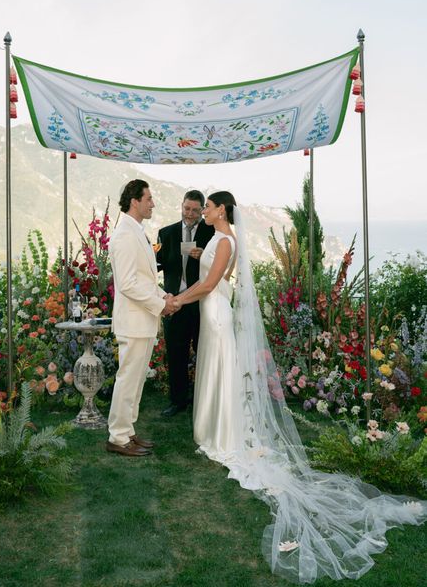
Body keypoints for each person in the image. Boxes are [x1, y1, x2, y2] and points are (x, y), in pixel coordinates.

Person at [172, 191, 427, 584]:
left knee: (219, 373)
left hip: (217, 315)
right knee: (213, 372)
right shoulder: (217, 240)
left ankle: (222, 433)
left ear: (221, 209)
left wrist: (176, 300)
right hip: (212, 315)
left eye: (207, 206)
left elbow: (209, 285)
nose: (203, 210)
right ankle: (213, 427)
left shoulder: (224, 241)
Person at [106, 179, 174, 457]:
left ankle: (128, 431)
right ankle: (118, 437)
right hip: (134, 321)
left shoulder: (137, 231)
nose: (153, 203)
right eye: (149, 199)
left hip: (143, 321)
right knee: (127, 379)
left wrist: (164, 295)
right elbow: (128, 284)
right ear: (135, 201)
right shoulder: (123, 234)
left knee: (136, 380)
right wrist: (160, 305)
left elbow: (144, 279)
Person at [156, 190, 214, 417]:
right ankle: (177, 400)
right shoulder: (165, 233)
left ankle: (204, 400)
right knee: (176, 353)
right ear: (181, 206)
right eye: (186, 209)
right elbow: (157, 264)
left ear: (202, 210)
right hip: (175, 302)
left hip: (201, 302)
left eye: (195, 210)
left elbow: (220, 264)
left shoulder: (212, 233)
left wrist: (205, 256)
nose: (190, 214)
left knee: (205, 351)